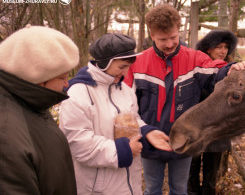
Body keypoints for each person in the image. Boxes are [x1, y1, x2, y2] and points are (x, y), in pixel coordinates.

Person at [124, 4, 245, 195]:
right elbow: (126, 104)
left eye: (173, 37)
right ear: (152, 34)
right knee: (152, 189)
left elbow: (215, 69)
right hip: (150, 141)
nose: (169, 44)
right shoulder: (138, 63)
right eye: (162, 39)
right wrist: (143, 132)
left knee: (179, 189)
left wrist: (230, 69)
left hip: (184, 141)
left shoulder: (194, 59)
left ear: (179, 29)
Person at [59, 33, 172, 195]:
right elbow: (78, 143)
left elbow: (133, 120)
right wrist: (122, 151)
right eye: (121, 67)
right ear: (104, 63)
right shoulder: (78, 94)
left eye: (128, 67)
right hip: (96, 189)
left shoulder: (125, 90)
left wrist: (147, 132)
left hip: (129, 186)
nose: (126, 73)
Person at [0, 25, 79, 194]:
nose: (67, 84)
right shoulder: (6, 135)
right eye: (62, 78)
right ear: (37, 78)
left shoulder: (31, 103)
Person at [187, 29, 238, 195]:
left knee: (211, 174)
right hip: (195, 126)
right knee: (191, 170)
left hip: (218, 128)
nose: (223, 51)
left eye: (226, 47)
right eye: (219, 47)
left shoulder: (232, 70)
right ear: (208, 48)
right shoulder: (197, 67)